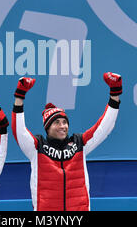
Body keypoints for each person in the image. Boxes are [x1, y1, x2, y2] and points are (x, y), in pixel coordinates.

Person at [11, 73, 122, 211]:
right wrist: (19, 97)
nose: (62, 126)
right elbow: (18, 131)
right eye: (56, 122)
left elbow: (104, 127)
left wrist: (114, 94)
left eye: (64, 122)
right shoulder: (37, 147)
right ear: (47, 127)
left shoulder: (79, 143)